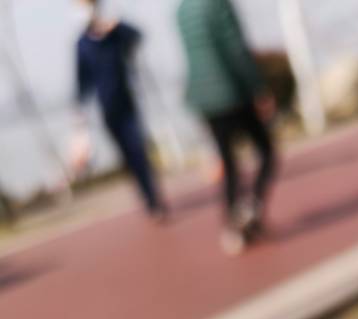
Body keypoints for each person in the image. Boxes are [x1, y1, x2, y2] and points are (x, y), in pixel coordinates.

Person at [177, 0, 277, 255]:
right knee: (266, 151)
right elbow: (235, 47)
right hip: (231, 92)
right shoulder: (217, 3)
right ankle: (251, 207)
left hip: (204, 97)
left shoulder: (182, 10)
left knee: (228, 163)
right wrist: (258, 87)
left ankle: (233, 225)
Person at [72, 0, 166, 218]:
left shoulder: (114, 35)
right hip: (107, 110)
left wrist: (117, 25)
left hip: (128, 103)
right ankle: (146, 196)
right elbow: (82, 83)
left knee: (139, 150)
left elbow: (137, 36)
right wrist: (79, 118)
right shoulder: (82, 44)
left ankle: (154, 199)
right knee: (127, 156)